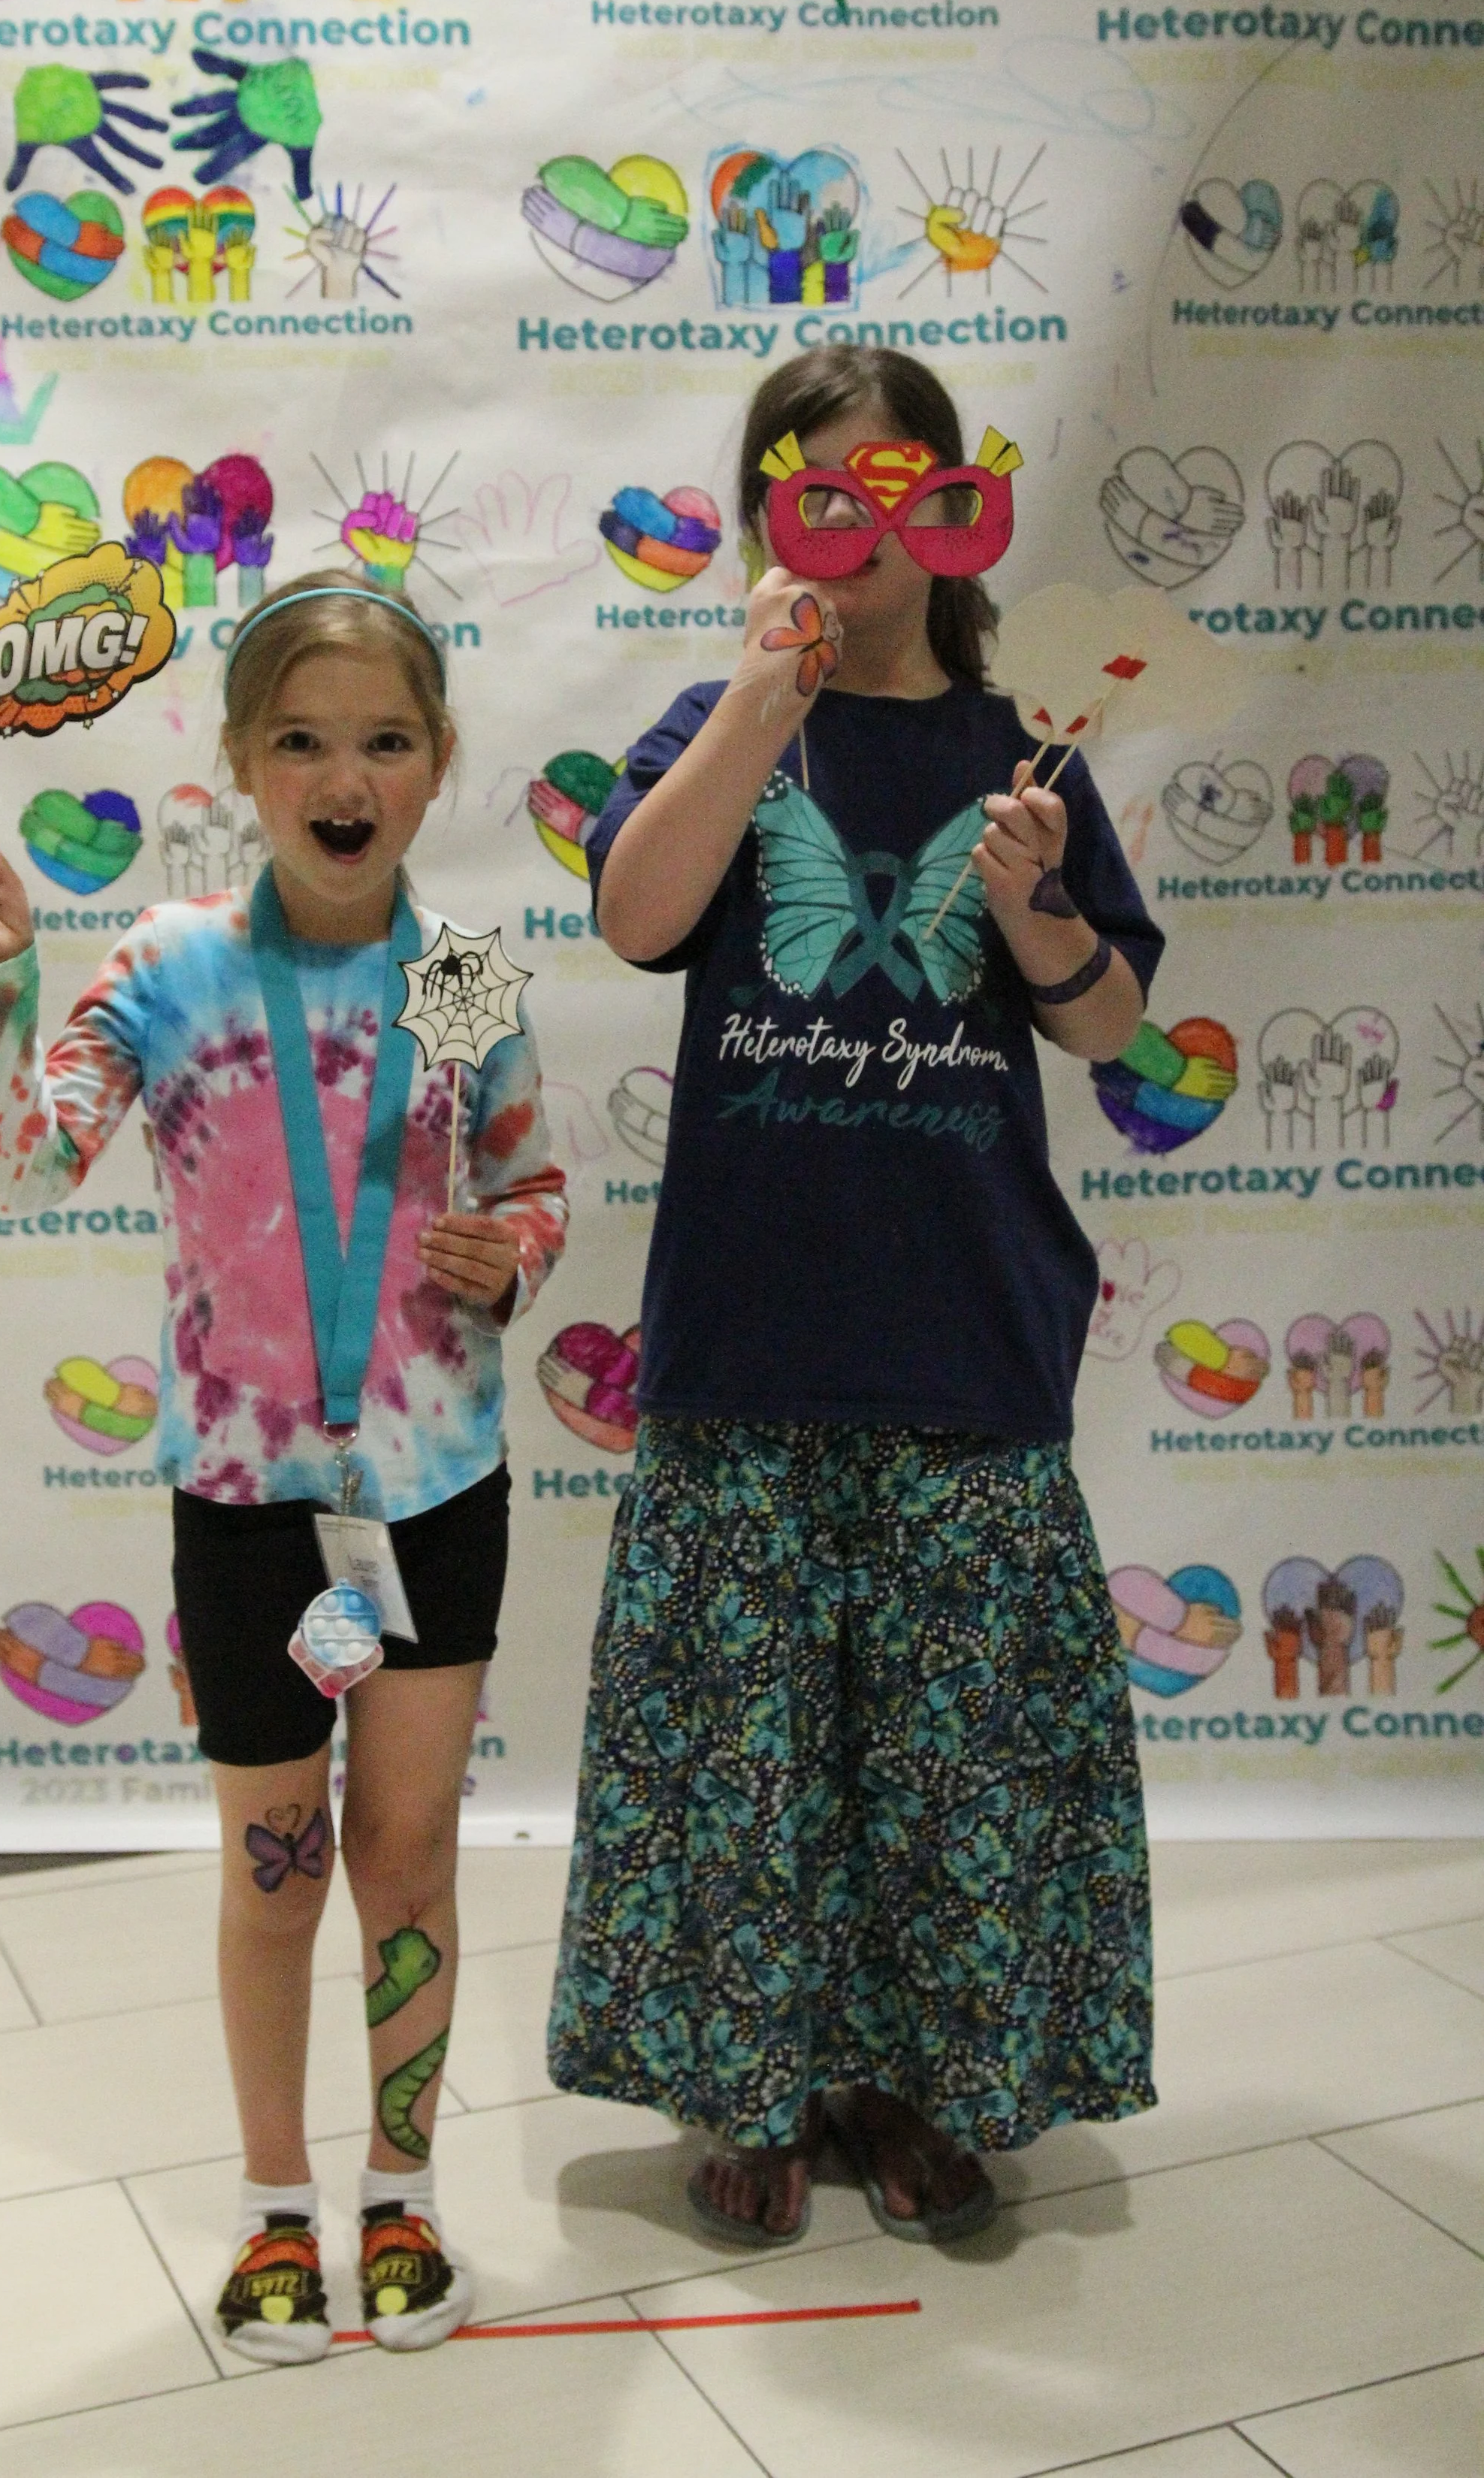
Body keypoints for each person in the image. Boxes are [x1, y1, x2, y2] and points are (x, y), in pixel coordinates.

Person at [547, 349, 1163, 2249]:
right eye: (818, 491)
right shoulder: (716, 721)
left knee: (948, 1749)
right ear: (761, 514)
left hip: (961, 1334)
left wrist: (1040, 902)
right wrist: (758, 694)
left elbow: (1112, 1019)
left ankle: (916, 2082)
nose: (865, 526)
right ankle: (746, 2084)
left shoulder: (1022, 751)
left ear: (960, 512)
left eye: (904, 488)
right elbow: (638, 915)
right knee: (747, 1748)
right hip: (749, 1330)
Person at [0, 571, 567, 2360]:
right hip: (243, 1504)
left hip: (435, 1488)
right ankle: (275, 2200)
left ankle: (406, 2187)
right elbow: (25, 1164)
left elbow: (533, 1187)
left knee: (412, 1854)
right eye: (299, 739)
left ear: (436, 764)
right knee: (274, 1859)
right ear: (237, 762)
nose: (339, 773)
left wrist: (506, 1254)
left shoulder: (458, 983)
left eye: (380, 739)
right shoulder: (165, 967)